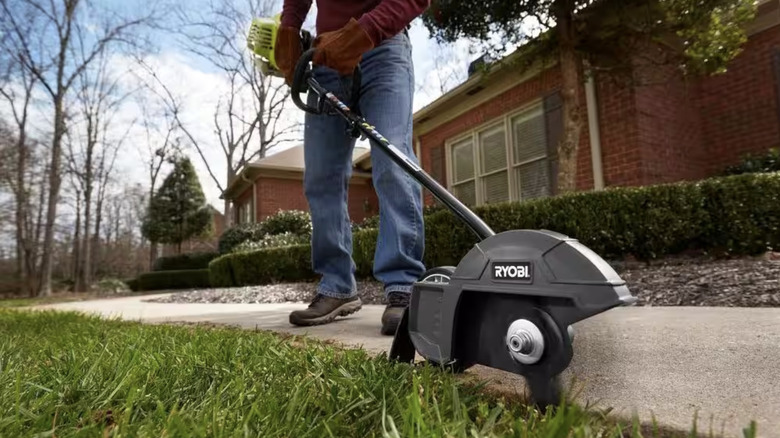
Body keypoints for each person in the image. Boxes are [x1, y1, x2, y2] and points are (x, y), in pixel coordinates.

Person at [274, 0, 430, 335]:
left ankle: (403, 285)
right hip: (326, 61)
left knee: (392, 161)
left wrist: (366, 32)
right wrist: (289, 28)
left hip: (383, 49)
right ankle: (337, 286)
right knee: (321, 177)